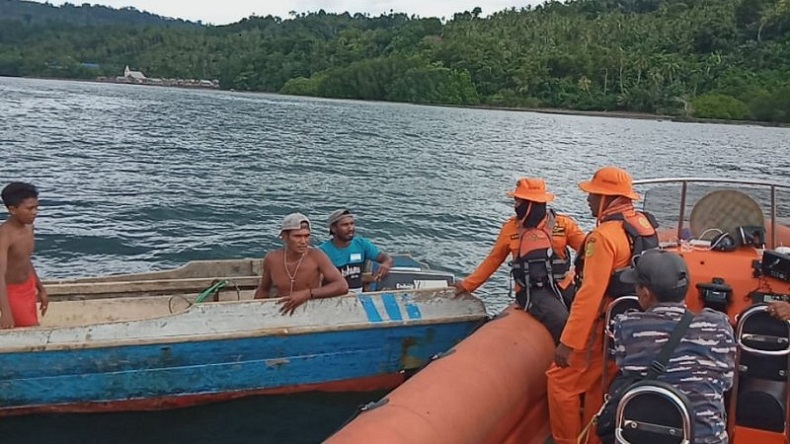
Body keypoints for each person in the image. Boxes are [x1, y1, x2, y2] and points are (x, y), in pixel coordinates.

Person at [547, 166, 659, 444]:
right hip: (627, 323)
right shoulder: (642, 224)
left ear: (607, 199)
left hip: (600, 325)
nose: (588, 200)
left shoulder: (603, 237)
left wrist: (568, 343)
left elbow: (589, 294)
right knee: (599, 385)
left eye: (594, 195)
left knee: (560, 382)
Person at [613, 249, 736, 444]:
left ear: (645, 293)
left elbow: (625, 368)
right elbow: (727, 382)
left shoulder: (626, 325)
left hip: (645, 437)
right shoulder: (719, 325)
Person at [453, 178, 586, 344]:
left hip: (564, 284)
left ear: (531, 203)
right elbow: (493, 260)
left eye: (518, 200)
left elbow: (587, 250)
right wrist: (467, 285)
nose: (515, 205)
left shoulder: (563, 224)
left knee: (588, 313)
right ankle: (565, 361)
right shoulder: (510, 229)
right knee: (561, 320)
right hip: (533, 291)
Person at [254, 213, 349, 315]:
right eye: (298, 236)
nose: (303, 241)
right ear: (284, 237)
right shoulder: (272, 259)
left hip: (310, 310)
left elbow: (342, 285)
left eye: (306, 236)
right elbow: (263, 289)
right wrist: (255, 311)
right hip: (281, 311)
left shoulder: (316, 256)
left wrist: (307, 294)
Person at [0, 182, 48, 329]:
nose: (35, 212)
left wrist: (41, 289)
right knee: (31, 330)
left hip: (27, 286)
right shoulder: (5, 235)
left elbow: (25, 260)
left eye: (36, 207)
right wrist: (6, 312)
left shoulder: (29, 227)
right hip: (11, 292)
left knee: (31, 326)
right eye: (29, 208)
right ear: (13, 209)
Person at [319, 209, 393, 293]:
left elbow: (385, 257)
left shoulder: (361, 244)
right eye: (345, 225)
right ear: (333, 228)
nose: (350, 228)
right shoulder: (323, 251)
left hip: (357, 297)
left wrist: (386, 264)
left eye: (352, 224)